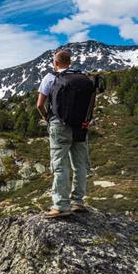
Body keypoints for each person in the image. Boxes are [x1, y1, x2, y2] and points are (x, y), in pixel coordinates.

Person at [36, 49, 90, 218]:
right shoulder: (84, 78)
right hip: (81, 126)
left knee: (60, 164)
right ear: (70, 62)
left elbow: (39, 104)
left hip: (59, 125)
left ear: (56, 63)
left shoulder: (50, 78)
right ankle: (78, 202)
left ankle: (60, 205)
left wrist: (47, 118)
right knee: (80, 164)